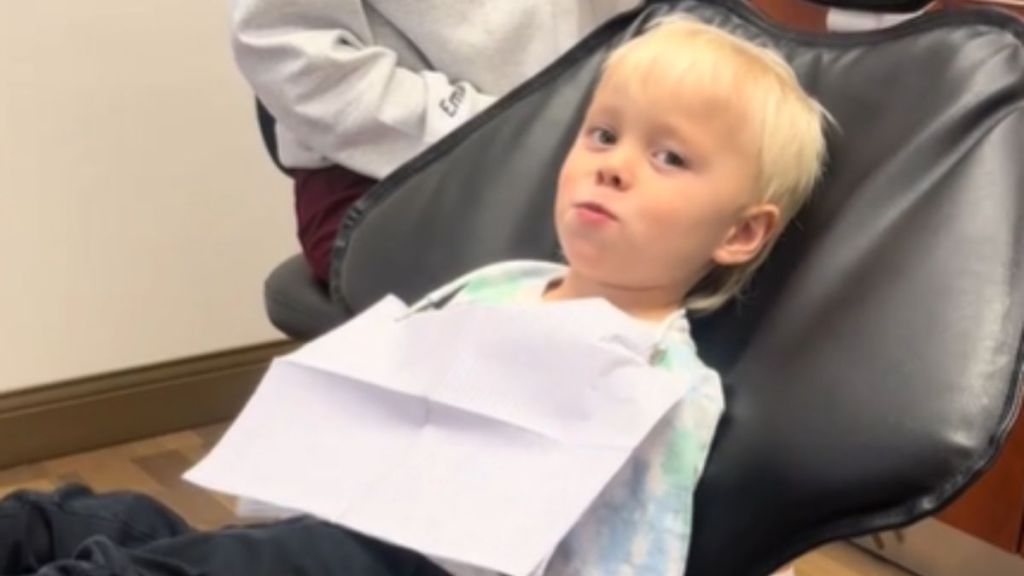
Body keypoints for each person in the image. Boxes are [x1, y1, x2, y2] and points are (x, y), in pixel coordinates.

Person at [0, 18, 829, 576]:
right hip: (335, 529)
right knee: (106, 521)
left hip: (420, 568)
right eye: (603, 135)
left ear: (740, 234)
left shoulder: (662, 381)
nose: (611, 163)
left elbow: (636, 551)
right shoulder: (499, 286)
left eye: (670, 159)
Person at [231, 0, 643, 284]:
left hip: (592, 135)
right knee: (592, 301)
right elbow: (287, 50)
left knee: (681, 260)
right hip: (396, 173)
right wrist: (512, 131)